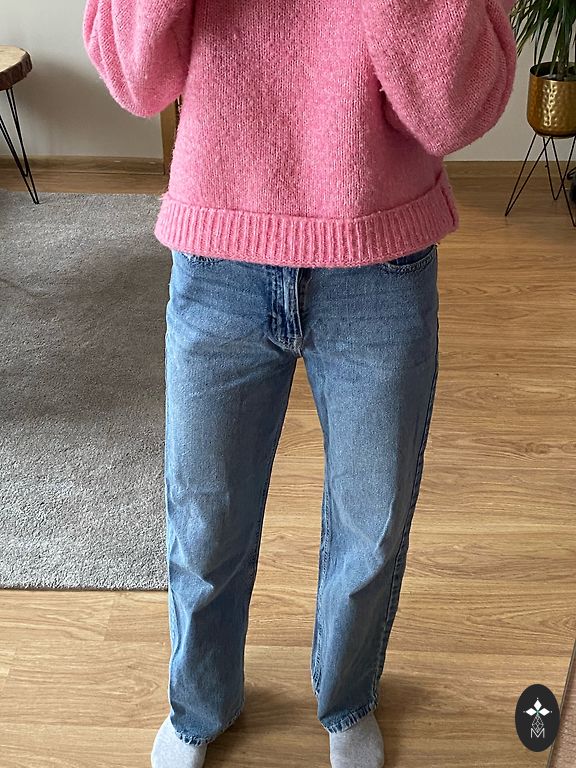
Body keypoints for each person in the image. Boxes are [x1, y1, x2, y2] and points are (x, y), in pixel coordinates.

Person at [82, 1, 518, 766]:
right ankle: (199, 704)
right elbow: (132, 79)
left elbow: (455, 110)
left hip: (380, 257)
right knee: (205, 519)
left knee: (371, 523)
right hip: (218, 249)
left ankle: (348, 697)